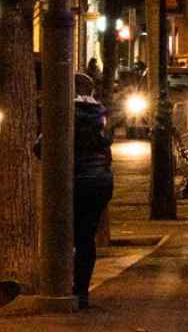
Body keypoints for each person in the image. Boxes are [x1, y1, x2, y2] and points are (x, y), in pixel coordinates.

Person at [70, 73, 114, 309]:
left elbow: (41, 146)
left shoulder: (63, 110)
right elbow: (107, 142)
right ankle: (82, 291)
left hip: (74, 179)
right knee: (86, 237)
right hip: (100, 181)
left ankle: (65, 286)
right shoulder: (101, 114)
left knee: (65, 235)